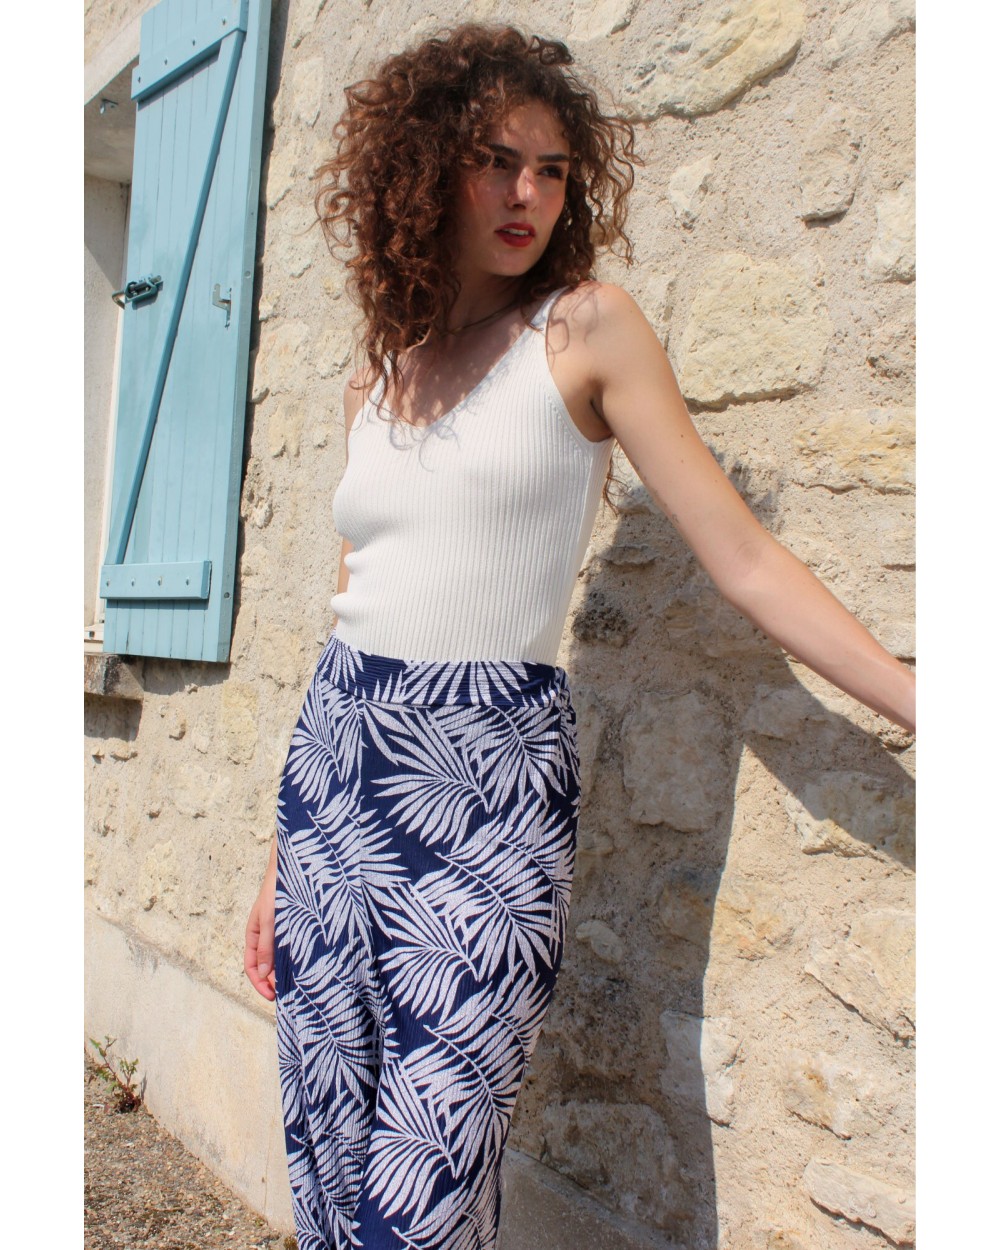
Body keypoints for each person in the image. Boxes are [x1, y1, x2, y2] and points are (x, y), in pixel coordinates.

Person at [244, 24, 915, 1250]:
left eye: (551, 170)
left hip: (487, 790)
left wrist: (925, 700)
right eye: (495, 162)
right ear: (422, 171)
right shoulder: (375, 381)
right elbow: (352, 614)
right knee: (329, 1169)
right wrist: (279, 858)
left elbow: (744, 560)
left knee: (424, 1192)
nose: (526, 194)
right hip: (335, 782)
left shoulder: (585, 329)